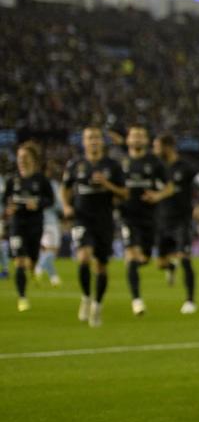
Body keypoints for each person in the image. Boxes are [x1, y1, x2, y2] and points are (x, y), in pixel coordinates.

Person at [62, 127, 126, 328]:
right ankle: (86, 296)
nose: (93, 141)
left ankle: (97, 305)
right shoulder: (75, 164)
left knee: (101, 267)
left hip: (104, 221)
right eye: (89, 138)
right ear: (84, 142)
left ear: (102, 141)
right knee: (83, 258)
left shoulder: (113, 166)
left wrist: (107, 184)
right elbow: (66, 188)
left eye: (97, 138)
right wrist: (66, 206)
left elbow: (124, 193)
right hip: (82, 218)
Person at [154, 133, 199, 314]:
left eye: (157, 146)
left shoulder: (186, 167)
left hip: (182, 221)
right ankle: (170, 266)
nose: (155, 150)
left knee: (185, 258)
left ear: (168, 146)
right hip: (161, 221)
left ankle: (190, 301)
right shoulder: (157, 168)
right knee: (160, 264)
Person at [120, 125, 170, 316]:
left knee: (144, 258)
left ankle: (160, 265)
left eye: (141, 135)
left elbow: (169, 186)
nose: (138, 139)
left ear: (146, 140)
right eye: (134, 135)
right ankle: (137, 301)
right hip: (127, 217)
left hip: (149, 217)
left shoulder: (154, 163)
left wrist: (157, 196)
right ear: (128, 140)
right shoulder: (121, 163)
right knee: (132, 256)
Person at [3, 142, 54, 311]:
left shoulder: (41, 180)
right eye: (19, 158)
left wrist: (38, 203)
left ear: (33, 160)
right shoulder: (12, 180)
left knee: (31, 259)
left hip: (35, 224)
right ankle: (22, 297)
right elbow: (5, 201)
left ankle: (34, 268)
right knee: (20, 261)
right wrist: (9, 208)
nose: (21, 161)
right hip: (17, 224)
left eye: (25, 157)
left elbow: (50, 200)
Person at [34, 159, 63, 287]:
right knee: (53, 250)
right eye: (50, 169)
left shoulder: (36, 183)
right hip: (50, 221)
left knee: (45, 251)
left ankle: (54, 278)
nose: (52, 171)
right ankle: (38, 268)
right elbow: (58, 204)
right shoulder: (52, 185)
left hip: (38, 220)